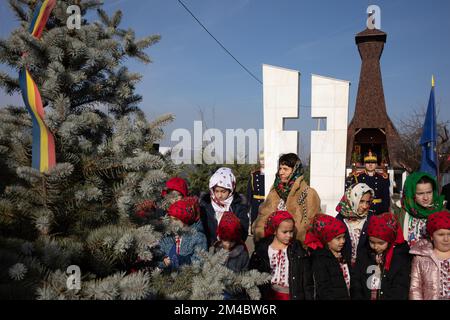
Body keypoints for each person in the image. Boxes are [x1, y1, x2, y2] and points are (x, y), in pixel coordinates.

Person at [253, 153, 320, 246]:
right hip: (271, 246)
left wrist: (298, 241)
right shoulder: (275, 191)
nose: (281, 172)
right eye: (280, 168)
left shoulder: (308, 193)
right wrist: (260, 235)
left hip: (295, 248)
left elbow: (311, 224)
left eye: (285, 169)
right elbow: (263, 216)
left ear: (295, 171)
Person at [249, 210, 314, 300]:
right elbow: (252, 276)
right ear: (275, 231)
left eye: (291, 231)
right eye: (285, 232)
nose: (289, 235)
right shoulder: (263, 251)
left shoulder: (297, 251)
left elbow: (307, 282)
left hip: (290, 296)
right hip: (268, 295)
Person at [351, 213, 411, 300]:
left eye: (381, 243)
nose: (376, 247)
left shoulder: (400, 255)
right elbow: (356, 280)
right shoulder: (365, 253)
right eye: (372, 242)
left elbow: (400, 286)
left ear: (390, 240)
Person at [305, 213, 351, 300]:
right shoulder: (320, 259)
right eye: (338, 238)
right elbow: (323, 289)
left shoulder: (343, 254)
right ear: (326, 239)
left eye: (344, 237)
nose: (343, 241)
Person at [200, 167, 249, 247]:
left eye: (223, 191)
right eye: (216, 191)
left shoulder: (238, 206)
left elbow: (243, 228)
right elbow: (202, 229)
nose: (219, 195)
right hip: (211, 249)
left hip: (232, 248)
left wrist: (232, 243)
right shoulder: (206, 206)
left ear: (231, 190)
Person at [158, 197, 207, 271]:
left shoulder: (198, 237)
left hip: (187, 279)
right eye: (171, 219)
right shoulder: (167, 235)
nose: (172, 222)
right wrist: (164, 261)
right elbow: (157, 255)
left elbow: (200, 261)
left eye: (176, 219)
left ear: (185, 220)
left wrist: (182, 260)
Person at [409, 210, 450, 300]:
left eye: (449, 234)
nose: (446, 239)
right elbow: (415, 289)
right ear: (431, 236)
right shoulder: (421, 257)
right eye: (441, 234)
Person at [399, 172, 445, 247]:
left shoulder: (442, 212)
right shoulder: (399, 212)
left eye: (429, 192)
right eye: (420, 193)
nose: (426, 198)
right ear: (411, 193)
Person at [335, 183, 375, 267]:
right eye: (361, 201)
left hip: (365, 269)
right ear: (352, 199)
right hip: (344, 268)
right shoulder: (339, 219)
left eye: (368, 202)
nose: (365, 206)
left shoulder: (371, 218)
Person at [345, 150, 390, 215]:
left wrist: (385, 213)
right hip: (363, 210)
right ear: (365, 164)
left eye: (373, 162)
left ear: (376, 164)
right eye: (368, 162)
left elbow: (386, 198)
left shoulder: (382, 178)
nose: (370, 164)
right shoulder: (357, 177)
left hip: (379, 211)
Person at [247, 151, 265, 233]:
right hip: (255, 203)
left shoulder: (272, 174)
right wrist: (248, 205)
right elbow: (249, 192)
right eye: (261, 159)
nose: (263, 161)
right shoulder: (254, 175)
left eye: (265, 159)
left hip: (266, 202)